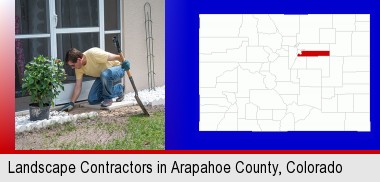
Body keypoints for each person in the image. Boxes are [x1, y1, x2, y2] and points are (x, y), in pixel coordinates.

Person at [59, 47, 130, 111]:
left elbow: (117, 57)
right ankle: (118, 90)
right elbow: (78, 86)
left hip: (118, 68)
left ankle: (108, 99)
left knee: (104, 74)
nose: (72, 68)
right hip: (103, 76)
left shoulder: (93, 54)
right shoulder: (78, 68)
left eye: (73, 65)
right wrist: (72, 103)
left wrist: (126, 62)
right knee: (92, 99)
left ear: (79, 60)